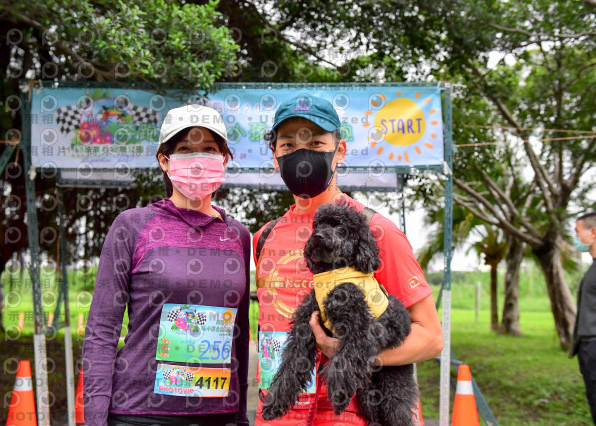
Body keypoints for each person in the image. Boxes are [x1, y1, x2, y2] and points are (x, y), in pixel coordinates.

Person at [253, 95, 444, 425]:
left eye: (315, 142)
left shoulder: (375, 231)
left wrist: (353, 355)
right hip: (278, 416)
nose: (301, 156)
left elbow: (430, 337)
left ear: (339, 151)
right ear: (275, 157)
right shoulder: (264, 237)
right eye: (287, 145)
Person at [82, 104, 251, 426]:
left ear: (225, 160)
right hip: (140, 411)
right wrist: (94, 418)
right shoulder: (132, 226)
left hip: (218, 414)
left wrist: (239, 415)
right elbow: (102, 332)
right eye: (185, 149)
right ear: (164, 159)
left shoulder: (238, 236)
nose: (197, 159)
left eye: (209, 149)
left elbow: (238, 336)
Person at [569, 212, 596, 424]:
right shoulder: (592, 269)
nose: (576, 237)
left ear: (593, 232)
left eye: (578, 232)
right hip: (587, 347)